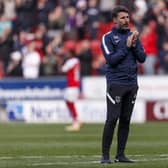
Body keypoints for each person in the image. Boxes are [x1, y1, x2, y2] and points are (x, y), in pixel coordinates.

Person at [100, 6, 146, 164]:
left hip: (132, 83)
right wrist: (126, 47)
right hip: (116, 83)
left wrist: (133, 46)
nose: (126, 20)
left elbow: (142, 58)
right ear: (114, 20)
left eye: (127, 17)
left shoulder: (133, 37)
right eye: (122, 18)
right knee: (112, 119)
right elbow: (111, 60)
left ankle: (120, 155)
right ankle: (105, 156)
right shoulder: (107, 37)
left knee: (125, 119)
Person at [61, 49, 82, 131]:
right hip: (74, 85)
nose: (66, 55)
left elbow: (63, 69)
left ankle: (76, 122)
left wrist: (61, 62)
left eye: (68, 53)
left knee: (71, 103)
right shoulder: (77, 61)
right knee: (69, 102)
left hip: (72, 85)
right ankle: (77, 120)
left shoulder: (71, 61)